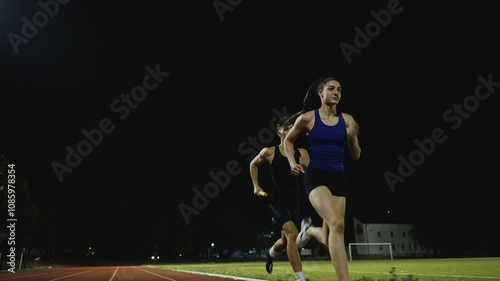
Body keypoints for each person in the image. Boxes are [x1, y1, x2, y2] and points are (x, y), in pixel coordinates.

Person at [283, 77, 361, 281]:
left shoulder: (348, 120)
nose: (336, 93)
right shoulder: (308, 118)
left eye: (339, 90)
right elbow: (288, 141)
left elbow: (356, 155)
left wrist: (352, 139)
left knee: (330, 235)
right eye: (331, 89)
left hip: (339, 177)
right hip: (316, 176)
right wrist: (292, 162)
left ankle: (309, 231)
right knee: (338, 224)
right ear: (320, 93)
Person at [249, 114, 310, 281]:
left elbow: (310, 174)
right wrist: (256, 185)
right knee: (293, 234)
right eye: (286, 128)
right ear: (279, 133)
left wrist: (304, 170)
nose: (291, 130)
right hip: (277, 201)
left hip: (295, 201)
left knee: (285, 242)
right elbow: (253, 164)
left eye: (293, 127)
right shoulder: (269, 152)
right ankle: (300, 278)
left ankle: (270, 253)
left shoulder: (303, 153)